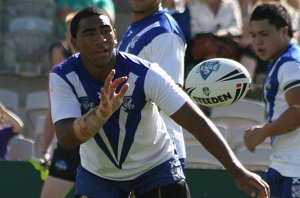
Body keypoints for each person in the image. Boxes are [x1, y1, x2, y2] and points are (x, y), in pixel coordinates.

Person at [49, 7, 270, 198]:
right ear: (74, 43)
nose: (100, 39)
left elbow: (196, 122)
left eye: (105, 31)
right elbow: (67, 138)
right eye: (89, 33)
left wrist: (237, 171)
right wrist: (99, 115)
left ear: (115, 36)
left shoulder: (145, 73)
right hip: (98, 176)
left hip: (154, 169)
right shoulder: (62, 76)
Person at [118, 0, 187, 167]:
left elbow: (171, 97)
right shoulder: (138, 26)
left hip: (159, 156)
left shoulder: (165, 34)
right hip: (137, 152)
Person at [244, 3, 300, 198]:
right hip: (283, 165)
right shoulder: (281, 61)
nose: (257, 42)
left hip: (295, 169)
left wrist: (263, 132)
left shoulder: (291, 63)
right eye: (253, 35)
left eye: (264, 34)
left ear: (284, 31)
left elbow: (298, 110)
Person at [39, 40, 79, 198]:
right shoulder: (55, 79)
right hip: (66, 148)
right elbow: (51, 115)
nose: (57, 64)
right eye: (53, 60)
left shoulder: (90, 71)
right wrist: (45, 149)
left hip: (94, 150)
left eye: (60, 59)